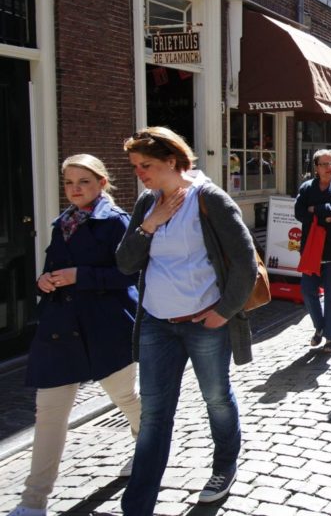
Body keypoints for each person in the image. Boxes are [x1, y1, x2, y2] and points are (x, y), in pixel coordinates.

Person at [118, 127, 257, 513]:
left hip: (203, 323)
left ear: (172, 161)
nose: (139, 173)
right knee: (154, 414)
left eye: (146, 165)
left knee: (216, 398)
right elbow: (125, 262)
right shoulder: (146, 204)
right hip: (156, 324)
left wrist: (223, 312)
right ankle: (137, 506)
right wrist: (150, 224)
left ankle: (224, 465)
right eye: (135, 166)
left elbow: (245, 263)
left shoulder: (208, 199)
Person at [8, 156, 142, 516]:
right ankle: (33, 502)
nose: (75, 189)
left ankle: (146, 449)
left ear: (102, 183)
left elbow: (131, 275)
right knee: (49, 414)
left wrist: (79, 276)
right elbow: (52, 269)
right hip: (59, 331)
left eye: (83, 181)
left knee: (125, 397)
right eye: (69, 182)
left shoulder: (117, 222)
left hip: (105, 329)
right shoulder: (61, 224)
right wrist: (44, 281)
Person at [293, 150, 331, 355]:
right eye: (324, 164)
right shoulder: (306, 188)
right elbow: (299, 212)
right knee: (307, 290)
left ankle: (330, 338)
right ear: (316, 167)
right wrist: (325, 215)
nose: (329, 168)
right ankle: (319, 326)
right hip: (312, 249)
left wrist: (315, 210)